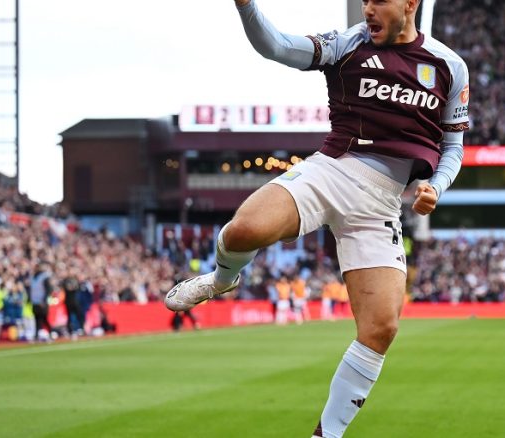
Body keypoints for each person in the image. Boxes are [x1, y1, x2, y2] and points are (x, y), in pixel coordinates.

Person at [164, 0, 469, 436]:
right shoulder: (347, 44)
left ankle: (326, 434)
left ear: (410, 4)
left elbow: (453, 148)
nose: (367, 9)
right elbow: (275, 46)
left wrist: (434, 187)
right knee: (243, 230)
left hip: (381, 203)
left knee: (381, 328)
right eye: (363, 0)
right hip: (332, 169)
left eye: (378, 1)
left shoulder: (449, 66)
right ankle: (221, 278)